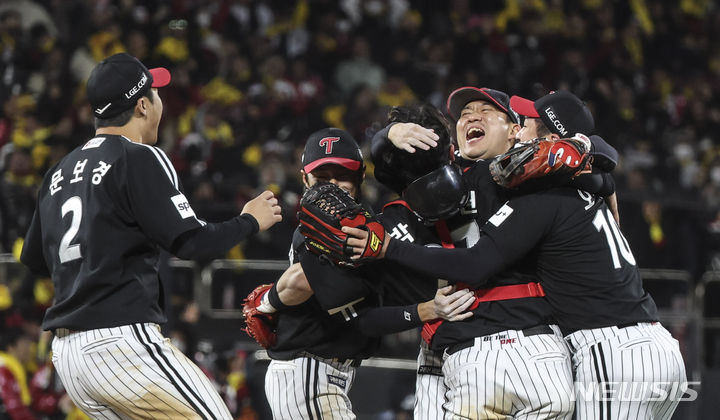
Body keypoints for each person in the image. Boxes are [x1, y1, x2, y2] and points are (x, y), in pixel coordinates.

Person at [346, 91, 687, 420]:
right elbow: (597, 156)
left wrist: (388, 246)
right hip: (570, 351)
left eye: (491, 113)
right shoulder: (548, 176)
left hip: (583, 346)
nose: (471, 117)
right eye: (464, 114)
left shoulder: (526, 179)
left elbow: (476, 263)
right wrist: (599, 171)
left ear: (514, 133)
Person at [19, 53, 282, 420]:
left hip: (69, 356)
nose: (161, 103)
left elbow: (32, 259)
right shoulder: (138, 156)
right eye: (156, 95)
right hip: (120, 343)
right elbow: (191, 242)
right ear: (142, 105)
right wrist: (249, 221)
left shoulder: (58, 172)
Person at [258, 127, 474, 420]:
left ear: (361, 175)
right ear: (304, 179)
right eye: (322, 177)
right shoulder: (317, 233)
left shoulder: (367, 223)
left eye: (342, 174)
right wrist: (426, 309)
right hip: (307, 370)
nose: (332, 184)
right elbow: (358, 320)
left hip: (326, 371)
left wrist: (389, 133)